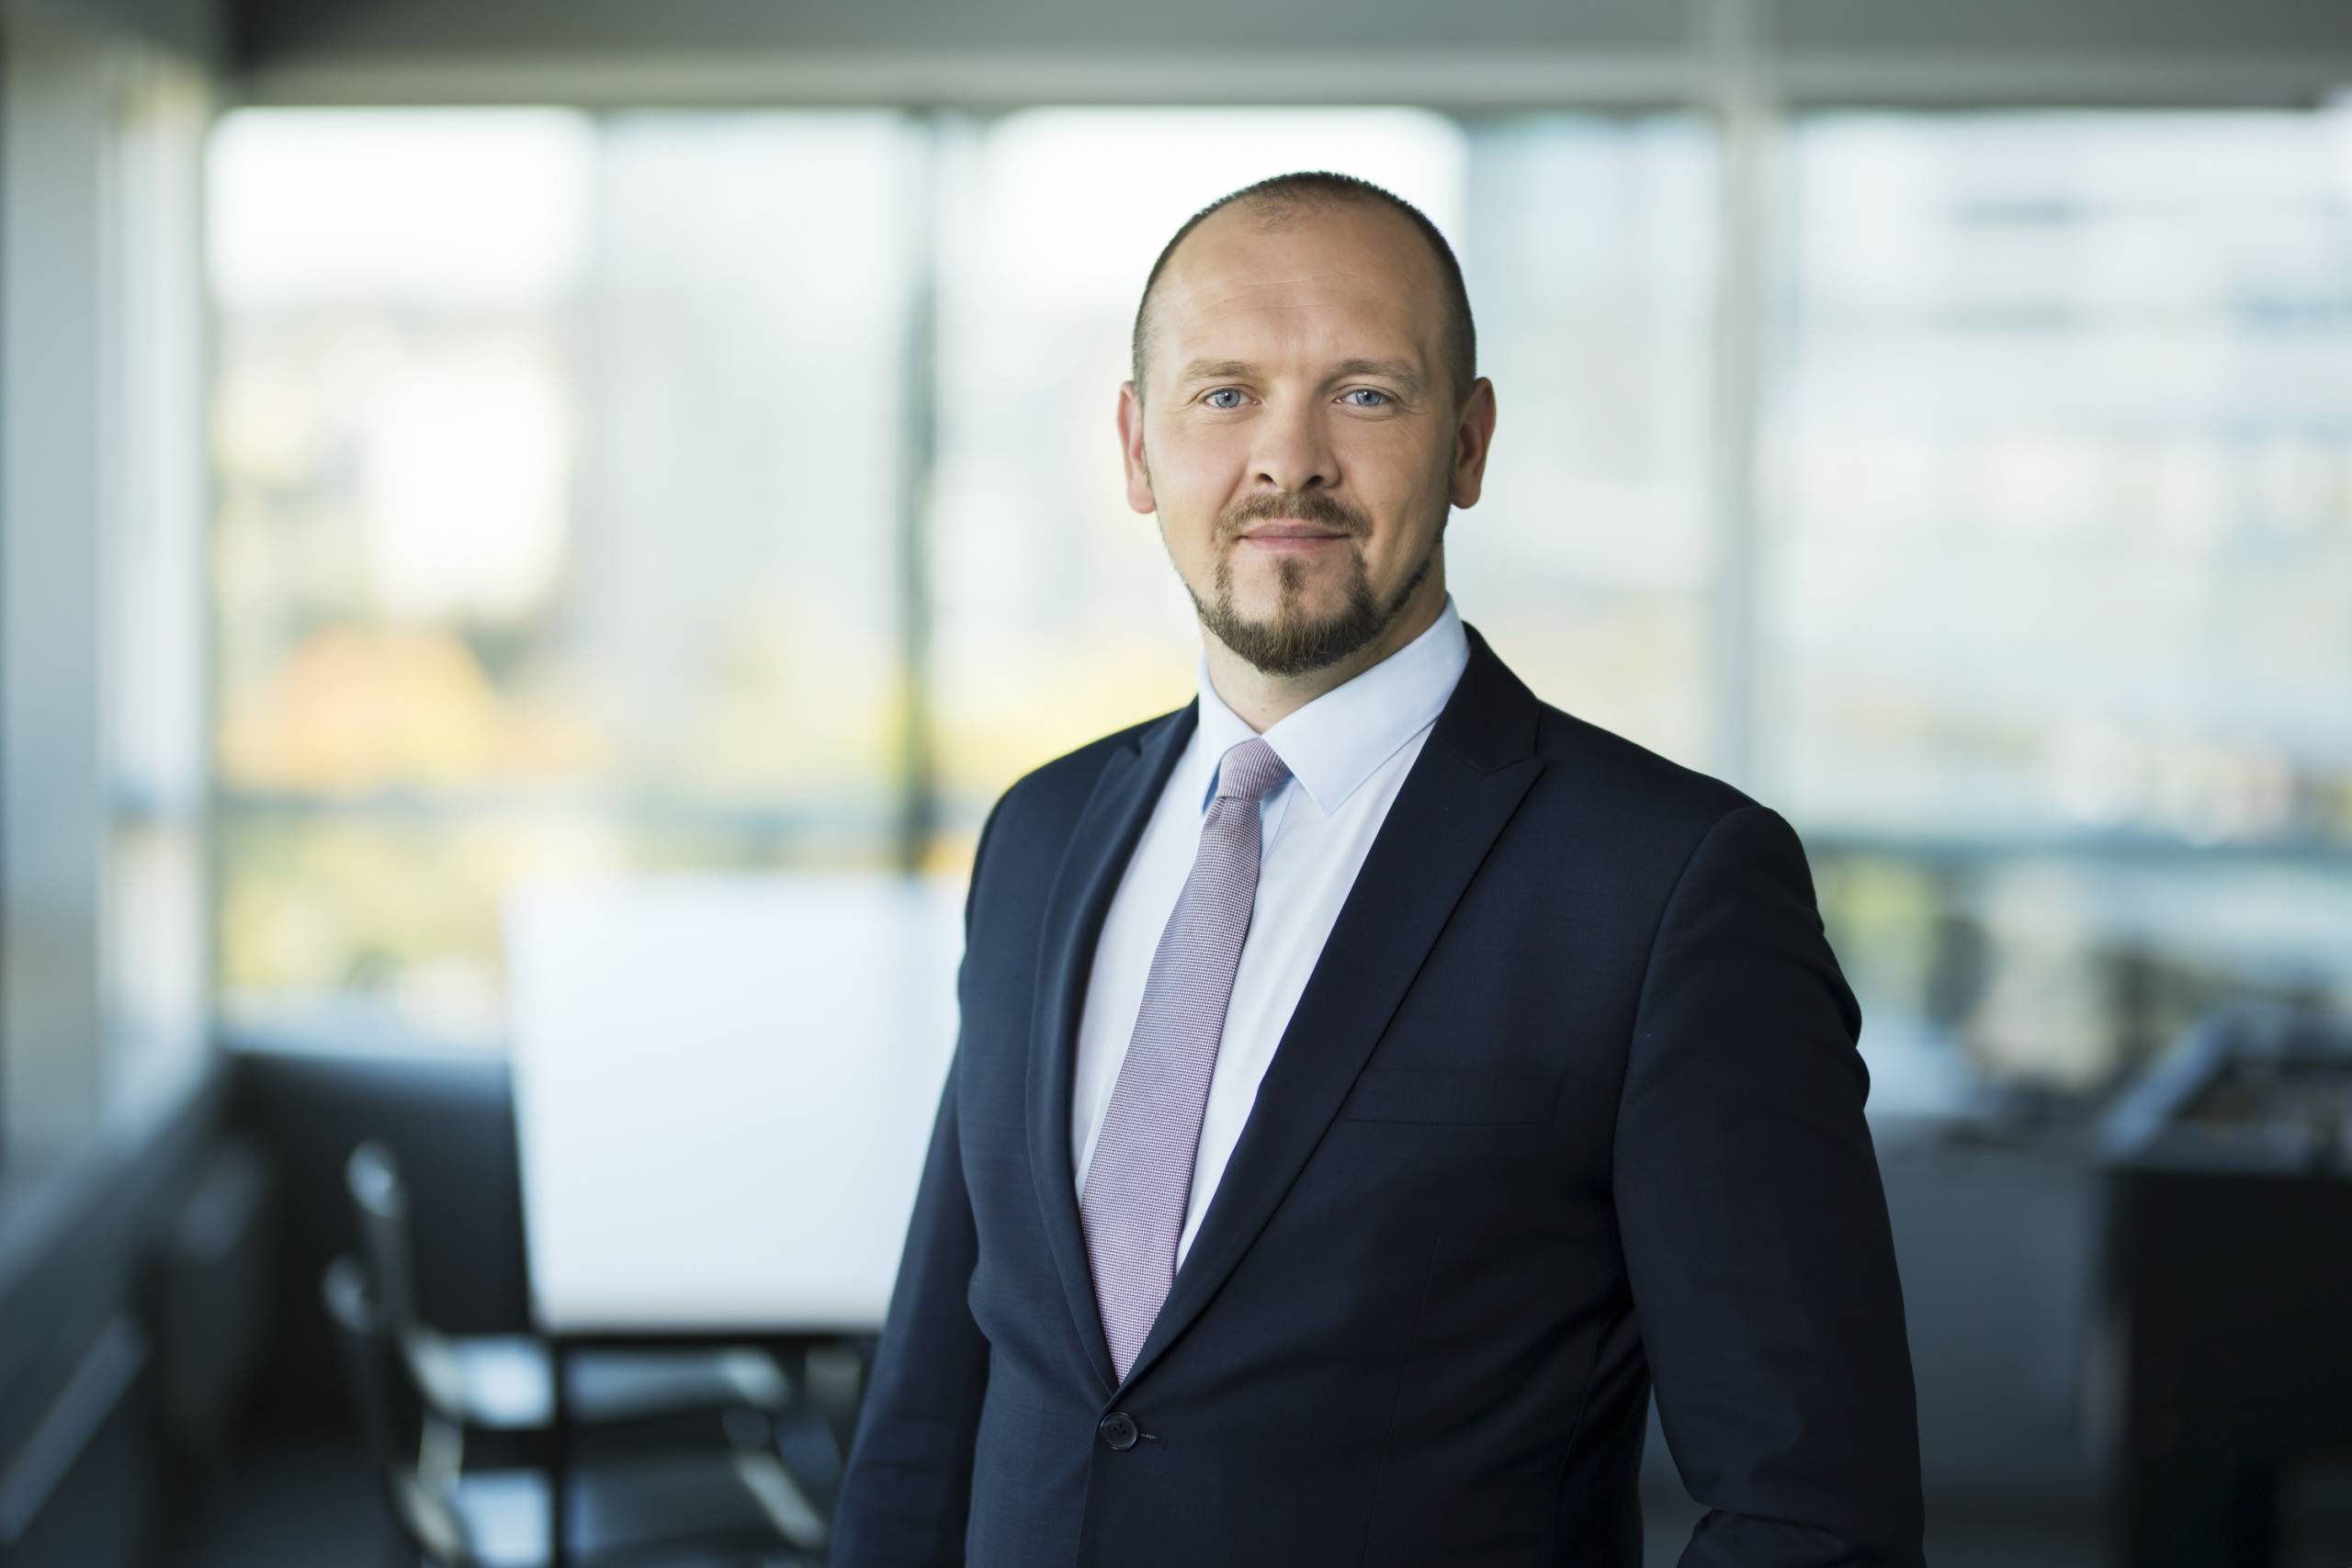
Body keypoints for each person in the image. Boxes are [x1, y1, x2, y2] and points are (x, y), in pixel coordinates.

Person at [831, 169, 1925, 1567]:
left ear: (1468, 443)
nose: (1287, 461)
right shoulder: (1039, 837)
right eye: (1225, 394)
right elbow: (932, 1408)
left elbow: (1815, 1514)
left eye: (1364, 393)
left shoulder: (1667, 889)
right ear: (1136, 448)